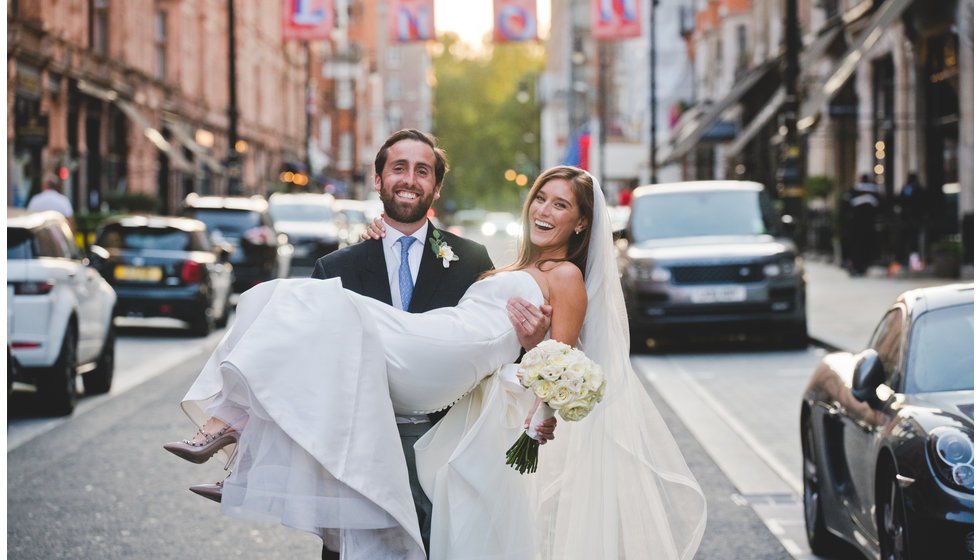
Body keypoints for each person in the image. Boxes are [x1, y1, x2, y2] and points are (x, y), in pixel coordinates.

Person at [165, 165, 707, 559]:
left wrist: (536, 394)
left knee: (290, 301)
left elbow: (558, 359)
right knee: (271, 301)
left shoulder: (564, 276)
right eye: (541, 198)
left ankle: (231, 434)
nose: (544, 209)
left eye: (560, 205)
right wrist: (382, 233)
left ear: (582, 223)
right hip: (434, 343)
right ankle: (235, 443)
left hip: (445, 357)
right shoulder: (514, 265)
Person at [309, 128, 552, 558]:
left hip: (446, 450)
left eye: (423, 171)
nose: (410, 179)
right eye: (398, 168)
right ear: (378, 179)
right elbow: (313, 371)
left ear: (436, 186)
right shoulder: (335, 270)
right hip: (360, 454)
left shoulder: (473, 260)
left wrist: (532, 343)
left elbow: (496, 349)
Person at [844, 173, 880, 276]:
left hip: (856, 225)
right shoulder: (874, 192)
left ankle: (856, 265)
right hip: (869, 224)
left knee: (856, 245)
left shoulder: (854, 191)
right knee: (867, 245)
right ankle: (864, 265)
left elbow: (846, 205)